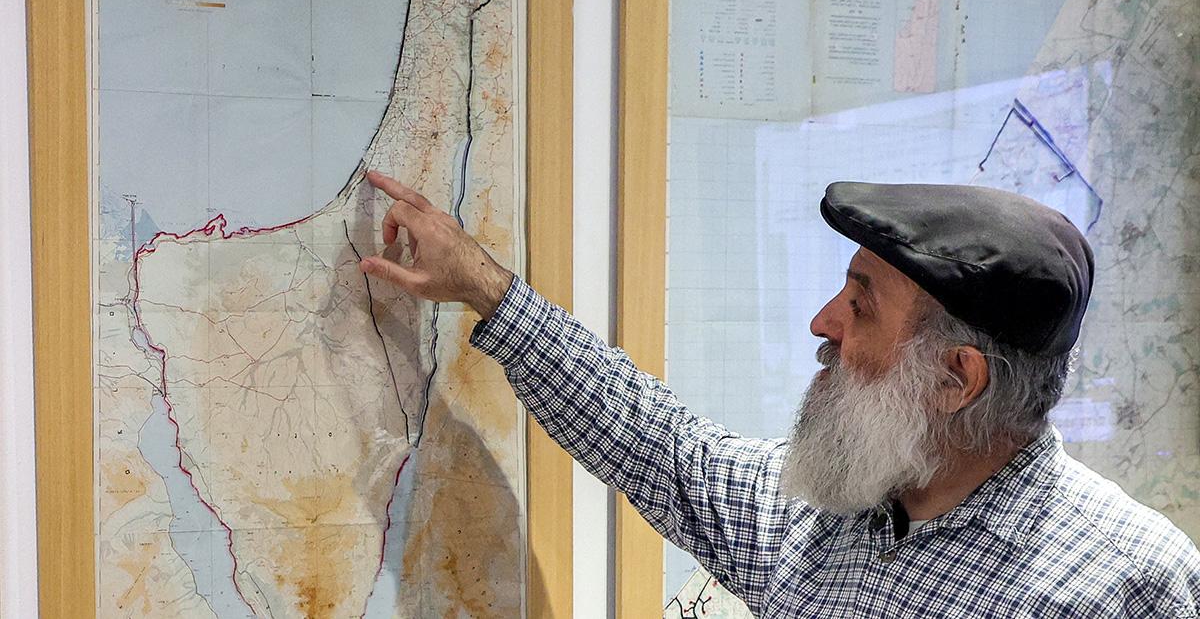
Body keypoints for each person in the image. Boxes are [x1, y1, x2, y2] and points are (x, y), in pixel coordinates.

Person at [358, 170, 1200, 617]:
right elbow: (659, 444)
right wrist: (481, 285)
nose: (823, 323)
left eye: (860, 305)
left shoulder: (1126, 586)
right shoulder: (820, 519)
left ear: (956, 380)